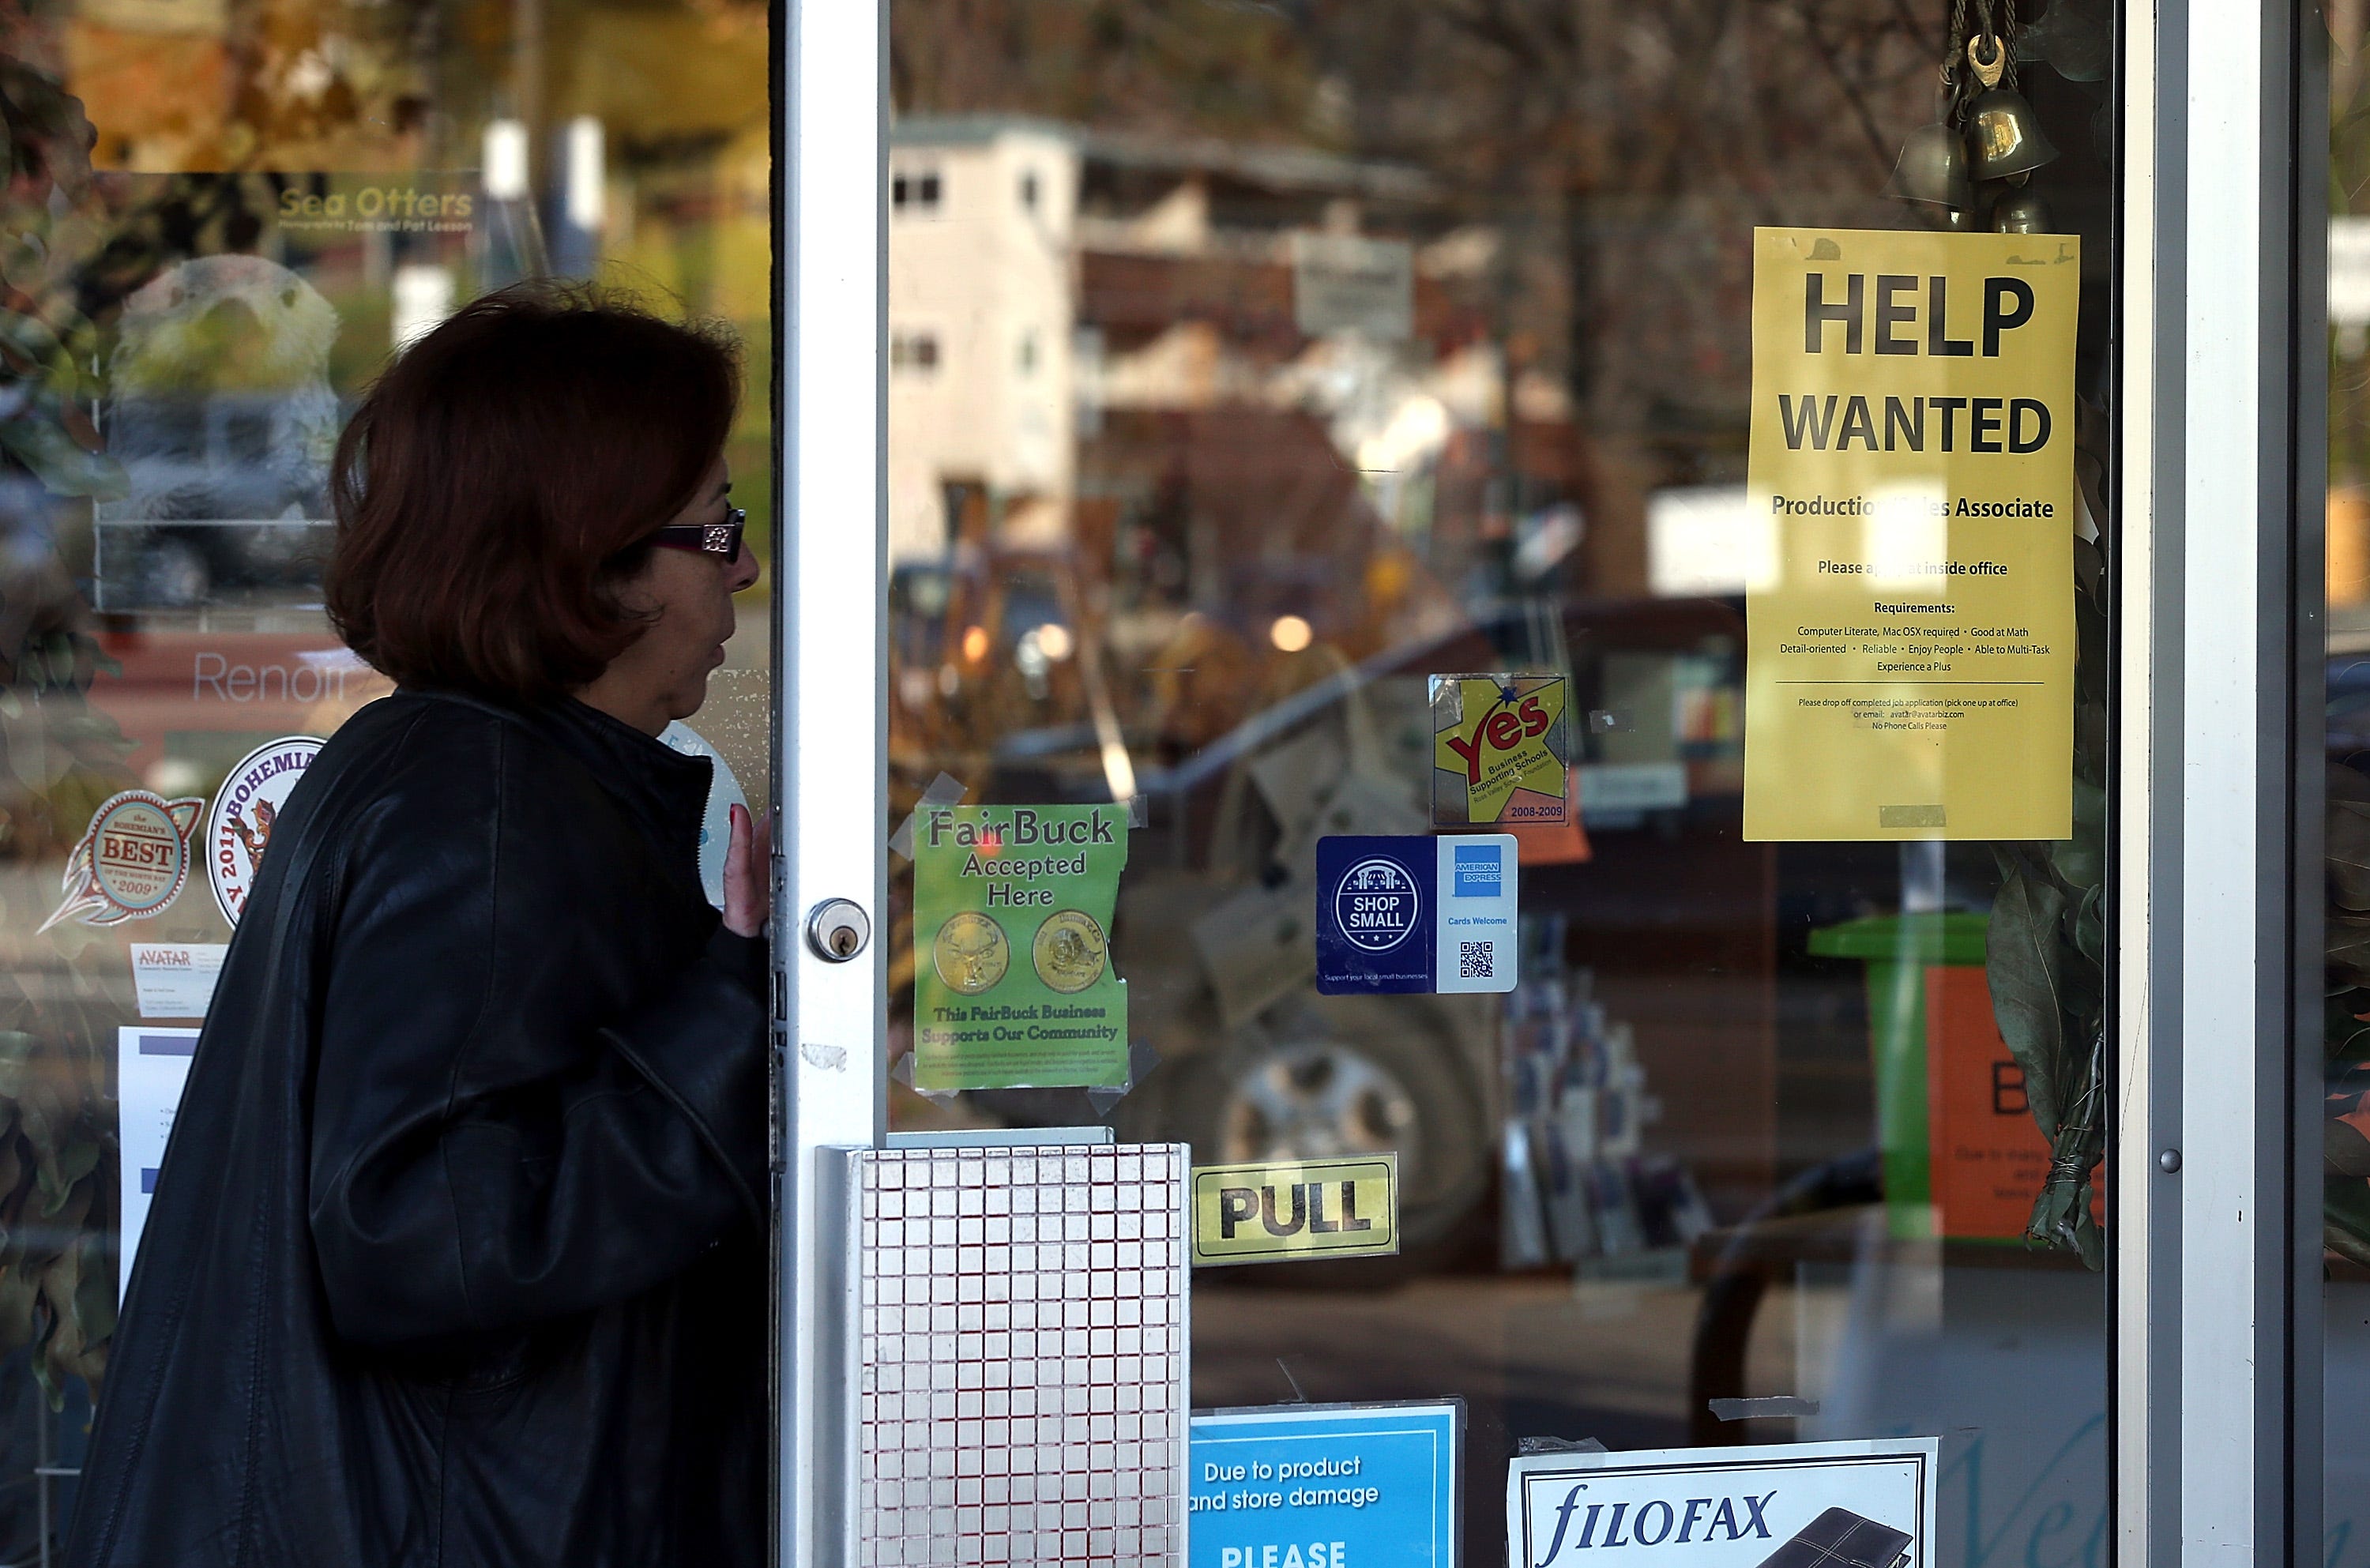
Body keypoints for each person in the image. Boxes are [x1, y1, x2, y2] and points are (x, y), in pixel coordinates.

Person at [65, 287, 771, 1567]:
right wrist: (730, 1009)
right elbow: (426, 1232)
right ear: (591, 557)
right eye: (716, 530)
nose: (746, 569)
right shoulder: (481, 805)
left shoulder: (456, 770)